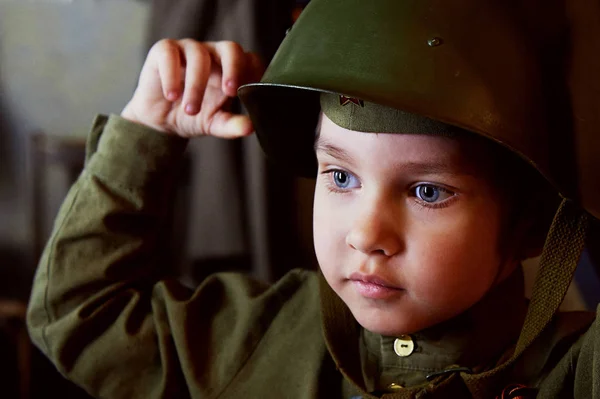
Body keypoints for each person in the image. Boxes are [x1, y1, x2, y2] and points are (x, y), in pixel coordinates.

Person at [26, 1, 600, 398]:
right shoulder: (258, 337)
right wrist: (145, 133)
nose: (365, 235)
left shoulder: (572, 373)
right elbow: (82, 319)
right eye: (342, 177)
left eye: (427, 191)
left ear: (530, 223)